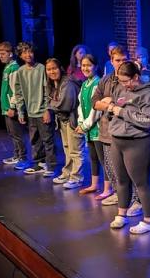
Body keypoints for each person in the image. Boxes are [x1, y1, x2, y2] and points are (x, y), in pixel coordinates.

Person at [98, 62, 150, 233]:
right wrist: (110, 108)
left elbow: (147, 121)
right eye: (121, 81)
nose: (124, 84)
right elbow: (114, 111)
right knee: (121, 180)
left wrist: (121, 111)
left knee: (141, 183)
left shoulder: (147, 94)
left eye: (126, 81)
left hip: (137, 142)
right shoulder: (120, 89)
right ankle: (121, 214)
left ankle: (148, 221)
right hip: (118, 140)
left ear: (136, 77)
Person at [90, 46, 140, 212]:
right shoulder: (106, 80)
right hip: (107, 131)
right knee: (112, 169)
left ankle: (137, 201)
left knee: (131, 170)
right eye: (117, 60)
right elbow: (95, 102)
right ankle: (120, 195)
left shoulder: (133, 78)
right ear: (111, 61)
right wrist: (107, 103)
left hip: (126, 132)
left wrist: (110, 101)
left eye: (124, 60)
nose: (120, 63)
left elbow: (127, 102)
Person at [11, 41, 57, 177]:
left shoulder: (41, 68)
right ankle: (39, 163)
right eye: (24, 52)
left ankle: (51, 165)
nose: (28, 54)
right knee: (35, 139)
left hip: (42, 111)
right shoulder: (20, 71)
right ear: (20, 55)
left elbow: (47, 89)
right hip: (31, 112)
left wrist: (46, 109)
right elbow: (18, 93)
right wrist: (20, 111)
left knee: (48, 139)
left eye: (29, 51)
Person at [45, 58, 84, 188]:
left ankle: (77, 177)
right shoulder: (53, 84)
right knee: (67, 149)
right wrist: (51, 103)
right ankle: (67, 173)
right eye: (49, 69)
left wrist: (51, 104)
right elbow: (51, 100)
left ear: (60, 68)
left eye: (54, 68)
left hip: (73, 120)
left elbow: (65, 105)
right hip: (63, 120)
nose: (52, 71)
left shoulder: (67, 83)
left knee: (75, 150)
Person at [75, 54, 105, 195]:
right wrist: (80, 122)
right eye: (83, 65)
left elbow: (96, 109)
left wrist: (85, 125)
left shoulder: (97, 83)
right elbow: (81, 105)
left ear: (95, 66)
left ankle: (108, 188)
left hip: (97, 128)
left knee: (102, 159)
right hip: (88, 128)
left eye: (88, 65)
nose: (85, 68)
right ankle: (94, 185)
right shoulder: (85, 84)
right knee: (93, 158)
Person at [0, 41, 24, 165]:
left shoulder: (14, 68)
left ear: (11, 54)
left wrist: (12, 106)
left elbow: (15, 89)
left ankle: (21, 156)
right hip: (6, 107)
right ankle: (16, 155)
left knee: (16, 133)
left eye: (3, 53)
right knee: (11, 133)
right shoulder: (7, 67)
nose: (0, 56)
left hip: (11, 107)